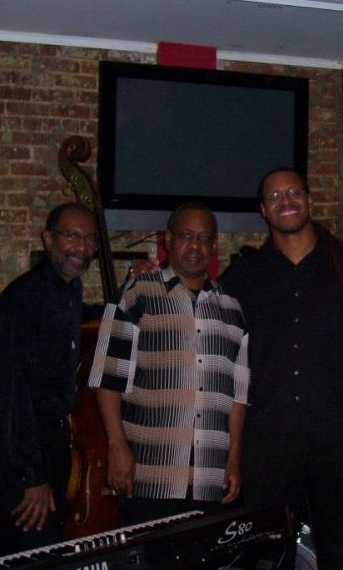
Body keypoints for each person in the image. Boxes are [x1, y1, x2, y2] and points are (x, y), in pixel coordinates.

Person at [218, 168, 343, 569]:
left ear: (308, 198)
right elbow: (219, 354)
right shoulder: (243, 277)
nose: (286, 201)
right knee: (267, 556)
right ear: (263, 210)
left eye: (294, 192)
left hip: (341, 437)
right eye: (275, 196)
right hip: (268, 440)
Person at [88, 202, 249, 527]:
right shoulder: (136, 294)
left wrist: (233, 458)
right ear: (169, 240)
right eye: (186, 236)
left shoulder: (233, 310)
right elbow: (108, 378)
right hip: (149, 474)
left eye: (204, 238)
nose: (195, 246)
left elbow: (238, 396)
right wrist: (117, 447)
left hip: (210, 479)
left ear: (213, 245)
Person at [0, 202, 98, 555]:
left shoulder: (66, 290)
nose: (82, 247)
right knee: (35, 555)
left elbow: (75, 319)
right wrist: (33, 477)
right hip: (19, 453)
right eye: (72, 236)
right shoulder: (22, 300)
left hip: (50, 445)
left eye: (89, 238)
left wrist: (126, 295)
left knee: (45, 552)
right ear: (48, 239)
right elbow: (11, 394)